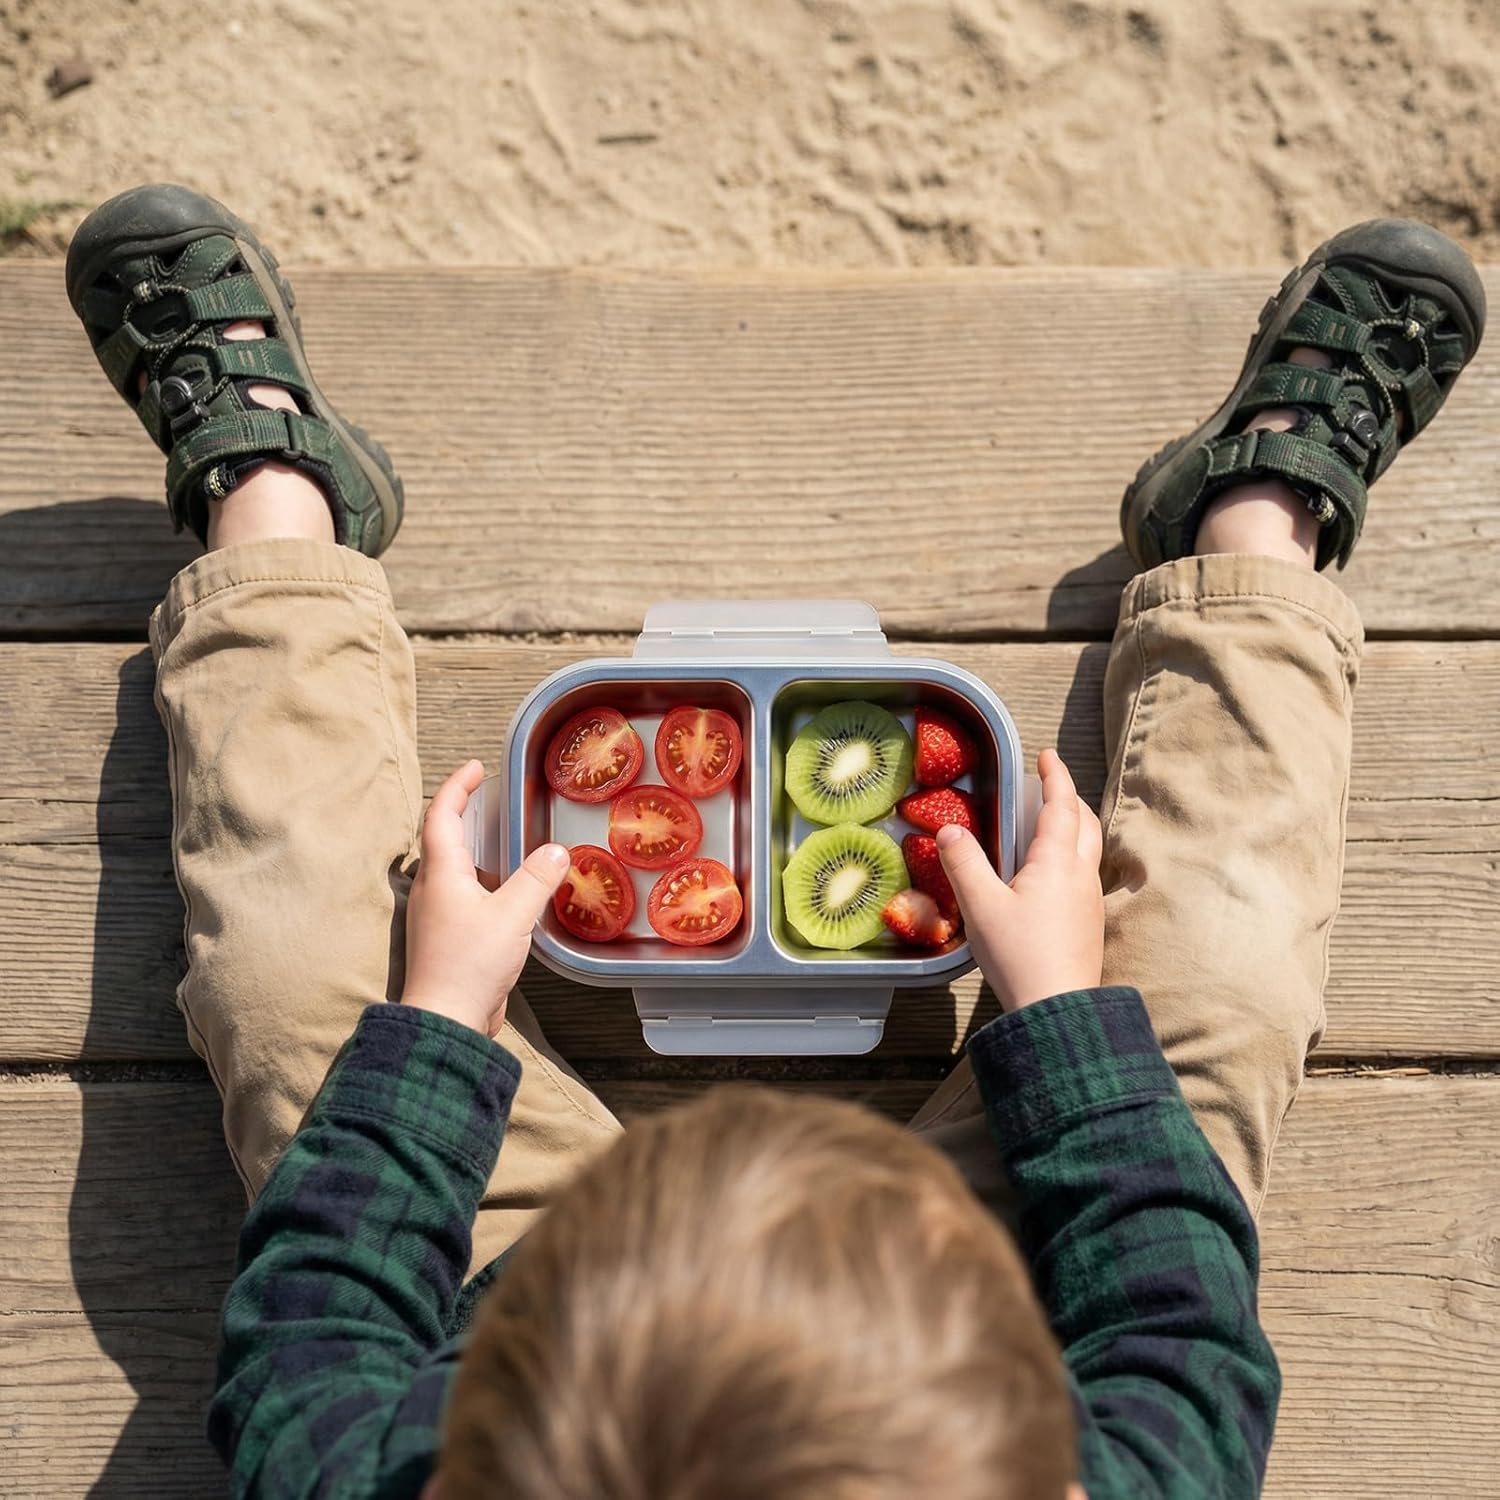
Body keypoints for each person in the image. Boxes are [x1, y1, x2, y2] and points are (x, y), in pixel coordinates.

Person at [65, 186, 1483, 1498]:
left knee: (288, 966)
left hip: (534, 1287)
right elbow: (1180, 1335)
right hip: (976, 1285)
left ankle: (278, 520)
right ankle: (1253, 539)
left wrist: (435, 1021)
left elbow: (307, 1337)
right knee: (1221, 976)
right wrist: (1060, 1020)